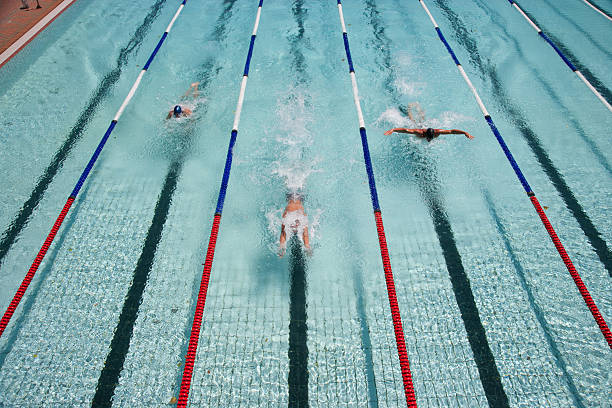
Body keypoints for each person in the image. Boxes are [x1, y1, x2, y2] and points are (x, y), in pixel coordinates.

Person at [385, 102, 474, 141]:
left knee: (422, 120)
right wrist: (393, 130)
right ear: (425, 135)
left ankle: (418, 107)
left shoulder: (437, 132)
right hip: (420, 128)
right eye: (428, 138)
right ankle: (409, 108)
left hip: (426, 129)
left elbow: (451, 131)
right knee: (413, 121)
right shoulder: (419, 132)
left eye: (430, 139)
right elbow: (406, 130)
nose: (429, 140)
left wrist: (464, 132)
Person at [279, 193, 311, 257]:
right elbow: (305, 235)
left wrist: (282, 246)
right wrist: (307, 247)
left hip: (294, 210)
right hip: (293, 210)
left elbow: (283, 233)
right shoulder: (301, 219)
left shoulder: (300, 217)